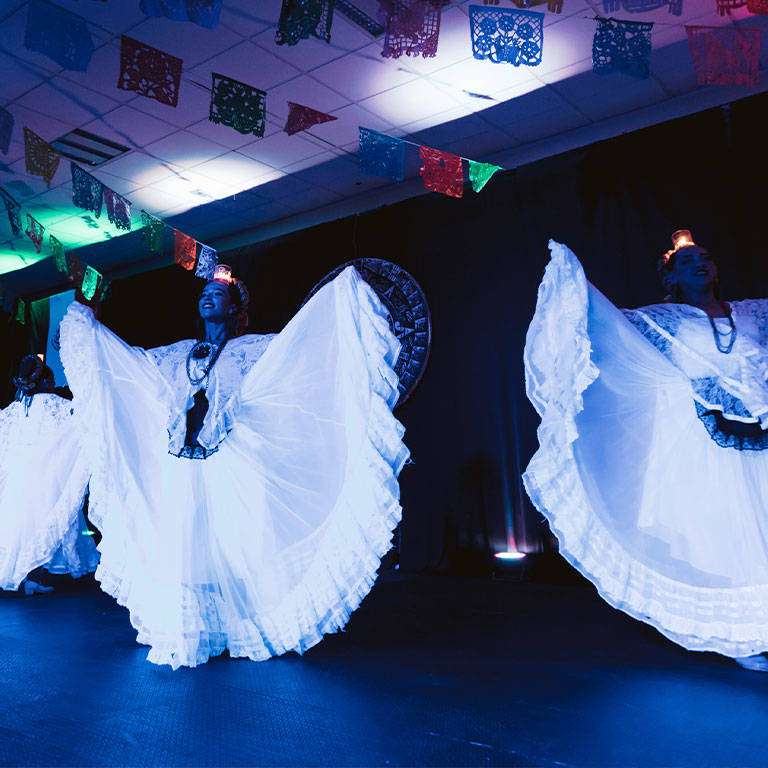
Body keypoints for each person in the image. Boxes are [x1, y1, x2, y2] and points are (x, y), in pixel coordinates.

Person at [60, 264, 408, 669]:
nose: (208, 297)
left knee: (238, 545)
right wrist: (88, 323)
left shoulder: (253, 349)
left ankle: (245, 626)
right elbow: (132, 370)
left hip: (234, 465)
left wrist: (342, 303)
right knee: (189, 547)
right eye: (204, 293)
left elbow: (301, 354)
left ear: (234, 308)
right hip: (184, 468)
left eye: (218, 294)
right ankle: (194, 630)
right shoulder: (179, 354)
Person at [523, 232, 768, 671]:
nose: (700, 264)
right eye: (687, 261)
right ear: (672, 278)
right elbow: (609, 332)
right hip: (700, 442)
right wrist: (571, 282)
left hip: (757, 431)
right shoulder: (664, 319)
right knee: (720, 535)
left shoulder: (752, 313)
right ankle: (736, 637)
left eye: (705, 258)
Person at [0, 355, 98, 595]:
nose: (53, 385)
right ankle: (33, 576)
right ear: (44, 381)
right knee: (42, 523)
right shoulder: (53, 404)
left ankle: (23, 575)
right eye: (51, 380)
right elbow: (80, 421)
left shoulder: (18, 407)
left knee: (20, 526)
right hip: (44, 475)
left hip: (19, 476)